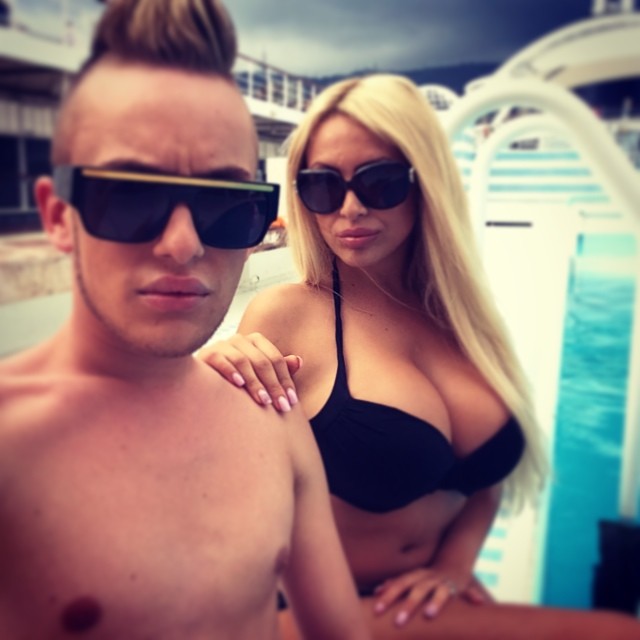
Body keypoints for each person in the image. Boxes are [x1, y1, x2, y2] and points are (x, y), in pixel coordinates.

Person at [199, 73, 640, 639]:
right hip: (327, 615)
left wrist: (454, 567)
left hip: (428, 608)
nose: (350, 208)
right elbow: (219, 491)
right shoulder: (286, 316)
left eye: (379, 182)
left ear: (425, 181)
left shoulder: (462, 318)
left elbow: (482, 479)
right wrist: (210, 377)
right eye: (322, 186)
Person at [0, 2, 370, 639]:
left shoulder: (271, 415)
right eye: (131, 195)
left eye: (224, 205)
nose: (182, 244)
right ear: (59, 216)